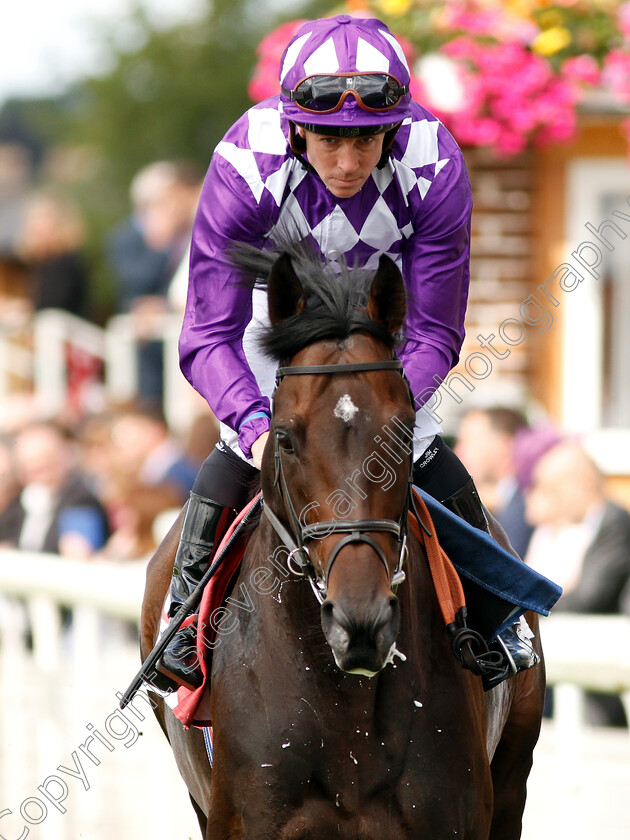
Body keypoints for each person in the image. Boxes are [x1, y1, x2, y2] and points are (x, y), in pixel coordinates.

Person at [154, 14, 539, 691]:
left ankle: (495, 616)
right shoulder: (245, 163)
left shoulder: (435, 160)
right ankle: (184, 622)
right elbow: (206, 335)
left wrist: (390, 408)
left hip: (378, 318)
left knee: (417, 442)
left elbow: (436, 330)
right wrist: (253, 425)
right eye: (330, 138)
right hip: (280, 312)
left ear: (394, 126)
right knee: (239, 444)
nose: (349, 161)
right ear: (296, 123)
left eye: (367, 139)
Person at [525, 441, 630, 726]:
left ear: (582, 484)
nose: (550, 500)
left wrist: (531, 604)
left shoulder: (616, 524)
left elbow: (591, 596)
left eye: (554, 489)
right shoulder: (590, 526)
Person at [455, 407, 533, 558]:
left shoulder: (526, 503)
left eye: (467, 442)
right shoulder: (505, 499)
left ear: (504, 445)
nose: (458, 452)